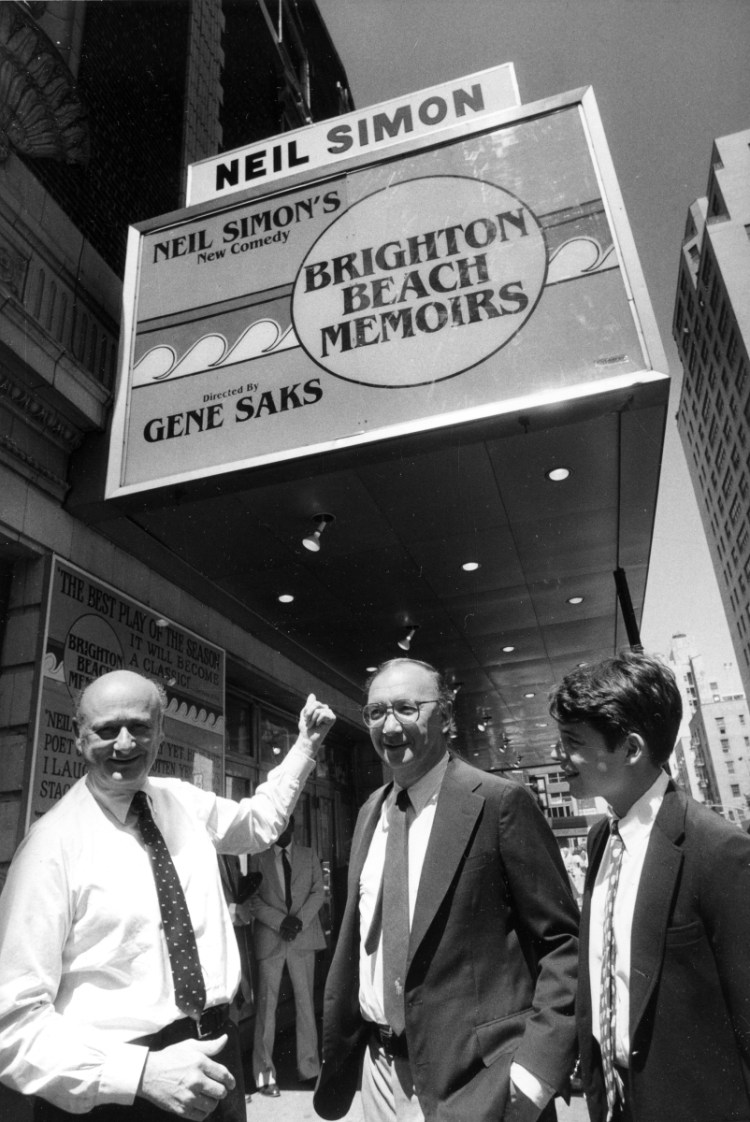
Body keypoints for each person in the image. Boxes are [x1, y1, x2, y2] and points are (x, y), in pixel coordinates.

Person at [0, 669, 335, 1121]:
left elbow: (259, 823)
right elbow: (12, 1026)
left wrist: (305, 746)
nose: (124, 744)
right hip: (117, 1091)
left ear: (159, 735)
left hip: (218, 1059)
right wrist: (140, 1073)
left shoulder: (179, 801)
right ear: (80, 739)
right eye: (106, 730)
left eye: (139, 727)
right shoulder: (49, 847)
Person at [313, 657, 579, 1122]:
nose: (389, 725)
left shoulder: (499, 803)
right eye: (375, 712)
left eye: (406, 708)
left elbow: (564, 945)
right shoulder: (368, 814)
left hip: (480, 1083)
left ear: (447, 717)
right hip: (378, 1073)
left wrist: (534, 1072)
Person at [549, 649, 750, 1122]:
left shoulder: (718, 851)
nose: (560, 755)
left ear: (632, 749)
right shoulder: (601, 838)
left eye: (573, 741)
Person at [248, 814, 326, 1096]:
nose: (281, 830)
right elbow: (253, 900)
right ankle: (264, 1074)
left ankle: (309, 1068)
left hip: (302, 938)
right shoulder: (258, 857)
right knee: (266, 1008)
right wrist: (281, 922)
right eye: (276, 825)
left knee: (306, 1005)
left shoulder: (308, 855)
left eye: (286, 825)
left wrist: (298, 921)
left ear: (294, 826)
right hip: (271, 938)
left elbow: (319, 891)